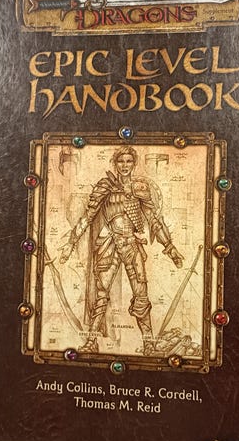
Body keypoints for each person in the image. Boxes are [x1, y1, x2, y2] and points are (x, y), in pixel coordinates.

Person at [59, 145, 183, 355]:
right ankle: (91, 341)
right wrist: (71, 243)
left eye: (129, 161)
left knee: (141, 295)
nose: (125, 165)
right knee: (101, 294)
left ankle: (149, 344)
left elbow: (154, 220)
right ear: (115, 163)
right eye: (121, 161)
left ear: (134, 164)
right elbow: (88, 217)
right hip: (108, 244)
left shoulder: (140, 188)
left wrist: (170, 248)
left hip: (132, 245)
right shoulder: (105, 186)